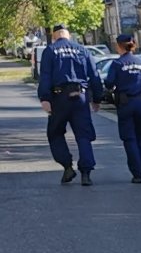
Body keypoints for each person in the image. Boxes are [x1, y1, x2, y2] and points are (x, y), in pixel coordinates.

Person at [35, 25, 100, 184]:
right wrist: (97, 98)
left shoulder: (50, 51)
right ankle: (86, 173)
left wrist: (45, 98)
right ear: (68, 35)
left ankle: (67, 166)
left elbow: (45, 76)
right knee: (83, 135)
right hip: (80, 96)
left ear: (55, 35)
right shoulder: (82, 50)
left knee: (55, 132)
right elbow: (94, 75)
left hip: (59, 98)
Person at [102, 33, 141, 184]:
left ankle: (137, 173)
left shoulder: (118, 64)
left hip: (125, 103)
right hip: (140, 102)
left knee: (129, 138)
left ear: (119, 46)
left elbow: (109, 83)